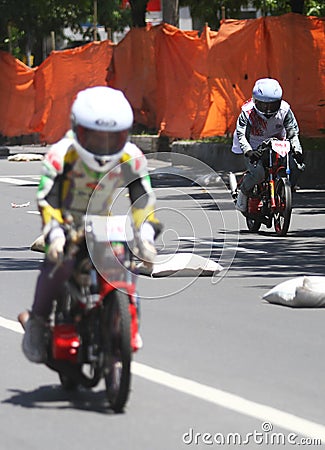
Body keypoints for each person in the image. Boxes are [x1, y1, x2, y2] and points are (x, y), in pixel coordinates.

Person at [18, 86, 161, 363]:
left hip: (102, 223)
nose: (104, 145)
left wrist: (145, 235)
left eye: (112, 137)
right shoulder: (60, 155)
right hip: (65, 221)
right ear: (77, 129)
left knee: (127, 269)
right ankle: (37, 322)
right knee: (57, 266)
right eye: (94, 137)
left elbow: (143, 199)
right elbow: (46, 198)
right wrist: (55, 233)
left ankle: (127, 323)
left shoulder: (131, 156)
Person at [231, 78, 304, 213]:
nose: (268, 109)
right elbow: (242, 135)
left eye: (273, 105)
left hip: (278, 142)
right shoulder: (247, 112)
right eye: (264, 105)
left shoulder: (285, 110)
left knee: (297, 167)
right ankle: (243, 192)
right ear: (255, 101)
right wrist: (249, 152)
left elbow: (293, 132)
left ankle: (283, 190)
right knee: (258, 173)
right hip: (254, 144)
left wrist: (297, 150)